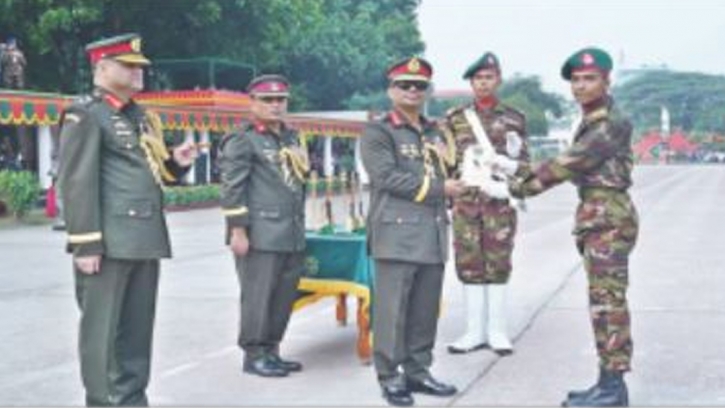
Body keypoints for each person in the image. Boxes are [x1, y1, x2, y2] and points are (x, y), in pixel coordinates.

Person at [485, 47, 638, 407]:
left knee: (608, 302)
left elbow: (568, 163)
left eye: (590, 79)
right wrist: (514, 169)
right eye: (576, 80)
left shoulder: (608, 123)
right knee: (601, 301)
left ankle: (614, 388)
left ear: (606, 80)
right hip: (598, 215)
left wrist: (512, 187)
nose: (581, 86)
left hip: (608, 218)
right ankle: (606, 382)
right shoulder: (592, 118)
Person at [58, 33, 196, 406]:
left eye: (140, 67)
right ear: (102, 68)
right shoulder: (86, 113)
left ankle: (133, 397)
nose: (139, 74)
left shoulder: (138, 117)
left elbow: (146, 172)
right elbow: (76, 180)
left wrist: (174, 164)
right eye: (129, 66)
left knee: (136, 329)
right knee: (102, 331)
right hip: (108, 242)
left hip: (143, 237)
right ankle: (102, 401)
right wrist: (86, 242)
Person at [361, 57, 465, 407]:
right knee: (392, 313)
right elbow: (386, 178)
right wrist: (442, 189)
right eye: (404, 85)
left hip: (434, 234)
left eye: (419, 86)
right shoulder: (379, 131)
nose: (412, 91)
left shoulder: (436, 131)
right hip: (397, 235)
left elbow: (451, 167)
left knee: (424, 312)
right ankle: (389, 377)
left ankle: (418, 372)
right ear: (391, 90)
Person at [219, 74, 308, 378]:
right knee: (258, 296)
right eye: (267, 100)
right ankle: (254, 354)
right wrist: (238, 230)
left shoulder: (291, 137)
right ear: (252, 102)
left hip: (291, 231)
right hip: (260, 233)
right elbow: (233, 187)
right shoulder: (243, 139)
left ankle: (272, 350)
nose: (275, 105)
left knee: (283, 296)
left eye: (280, 99)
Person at [443, 52, 529, 356]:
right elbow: (446, 162)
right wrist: (447, 195)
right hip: (466, 203)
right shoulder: (455, 119)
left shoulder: (515, 118)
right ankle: (473, 331)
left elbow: (524, 166)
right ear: (471, 82)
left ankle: (496, 331)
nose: (483, 83)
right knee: (469, 263)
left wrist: (508, 172)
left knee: (498, 263)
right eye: (478, 78)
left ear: (499, 80)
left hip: (499, 204)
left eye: (489, 77)